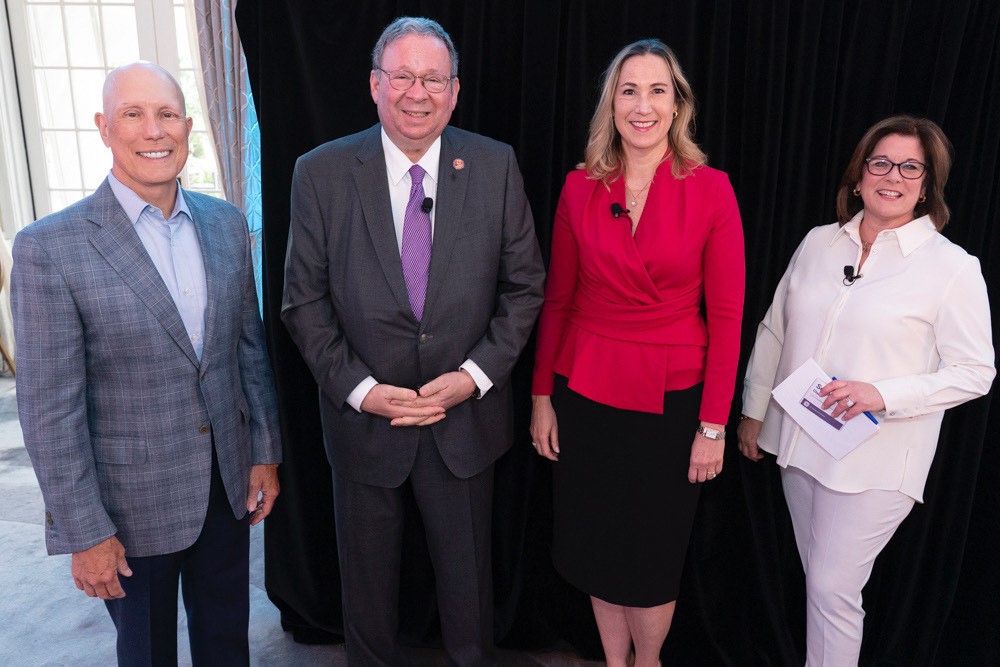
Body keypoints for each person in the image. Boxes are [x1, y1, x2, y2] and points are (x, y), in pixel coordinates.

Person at [281, 16, 545, 666]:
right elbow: (302, 301)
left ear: (454, 91)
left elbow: (525, 287)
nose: (416, 92)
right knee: (366, 598)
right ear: (375, 85)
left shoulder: (494, 165)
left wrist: (475, 376)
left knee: (467, 592)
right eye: (402, 76)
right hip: (364, 423)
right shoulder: (320, 173)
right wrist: (365, 392)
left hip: (465, 422)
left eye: (432, 78)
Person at [11, 62, 281, 665]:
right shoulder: (50, 248)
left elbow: (247, 351)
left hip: (223, 488)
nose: (153, 130)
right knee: (147, 654)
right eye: (134, 115)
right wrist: (85, 530)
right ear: (105, 128)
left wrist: (263, 451)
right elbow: (50, 411)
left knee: (226, 646)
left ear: (188, 126)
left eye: (166, 115)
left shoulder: (225, 224)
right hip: (126, 510)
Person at [738, 115, 995, 665]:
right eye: (880, 163)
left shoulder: (952, 268)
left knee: (832, 592)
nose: (892, 176)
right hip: (799, 442)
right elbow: (774, 329)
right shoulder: (818, 243)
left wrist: (882, 393)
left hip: (875, 461)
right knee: (821, 588)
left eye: (910, 167)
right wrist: (754, 412)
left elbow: (977, 372)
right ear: (859, 177)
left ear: (927, 185)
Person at [530, 39, 745, 666]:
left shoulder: (712, 190)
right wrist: (542, 396)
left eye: (657, 90)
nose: (642, 105)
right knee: (599, 545)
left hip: (674, 402)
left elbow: (728, 318)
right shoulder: (579, 188)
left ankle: (646, 665)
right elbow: (557, 302)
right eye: (629, 90)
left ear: (678, 104)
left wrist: (713, 424)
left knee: (650, 554)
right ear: (612, 103)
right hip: (588, 391)